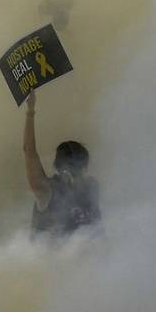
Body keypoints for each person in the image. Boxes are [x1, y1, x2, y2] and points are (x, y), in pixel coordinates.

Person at [23, 90, 101, 239]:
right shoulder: (47, 191)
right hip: (50, 260)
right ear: (62, 170)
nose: (78, 176)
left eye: (81, 170)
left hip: (91, 259)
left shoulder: (92, 188)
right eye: (73, 171)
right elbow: (29, 151)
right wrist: (30, 111)